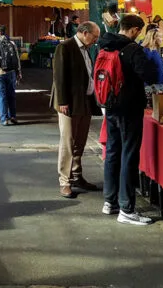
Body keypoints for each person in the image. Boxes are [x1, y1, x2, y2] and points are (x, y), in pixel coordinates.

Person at [98, 14, 159, 226]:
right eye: (138, 31)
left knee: (113, 153)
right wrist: (149, 54)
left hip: (110, 106)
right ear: (134, 30)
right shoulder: (132, 49)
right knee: (129, 156)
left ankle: (110, 201)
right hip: (129, 109)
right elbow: (151, 76)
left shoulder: (106, 46)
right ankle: (127, 208)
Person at [50, 21, 101, 199]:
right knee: (68, 142)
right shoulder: (65, 47)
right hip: (69, 103)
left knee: (80, 141)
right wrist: (63, 101)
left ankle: (77, 176)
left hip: (84, 101)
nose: (96, 40)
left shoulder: (86, 49)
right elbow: (59, 76)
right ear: (84, 33)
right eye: (94, 37)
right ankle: (65, 181)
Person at [142, 24, 163, 93]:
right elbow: (143, 69)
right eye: (160, 37)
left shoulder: (155, 50)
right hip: (151, 86)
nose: (162, 39)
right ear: (154, 38)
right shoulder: (147, 51)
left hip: (159, 84)